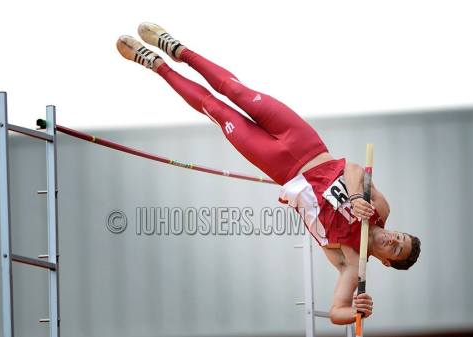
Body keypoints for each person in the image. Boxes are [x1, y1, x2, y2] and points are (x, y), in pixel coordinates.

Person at [116, 23, 421, 325]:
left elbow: (336, 312)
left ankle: (154, 64)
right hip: (308, 144)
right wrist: (355, 197)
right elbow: (354, 169)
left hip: (281, 166)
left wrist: (357, 311)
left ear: (385, 261)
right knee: (236, 91)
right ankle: (176, 49)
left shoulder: (352, 263)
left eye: (395, 248)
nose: (393, 238)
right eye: (400, 236)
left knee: (218, 111)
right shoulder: (380, 209)